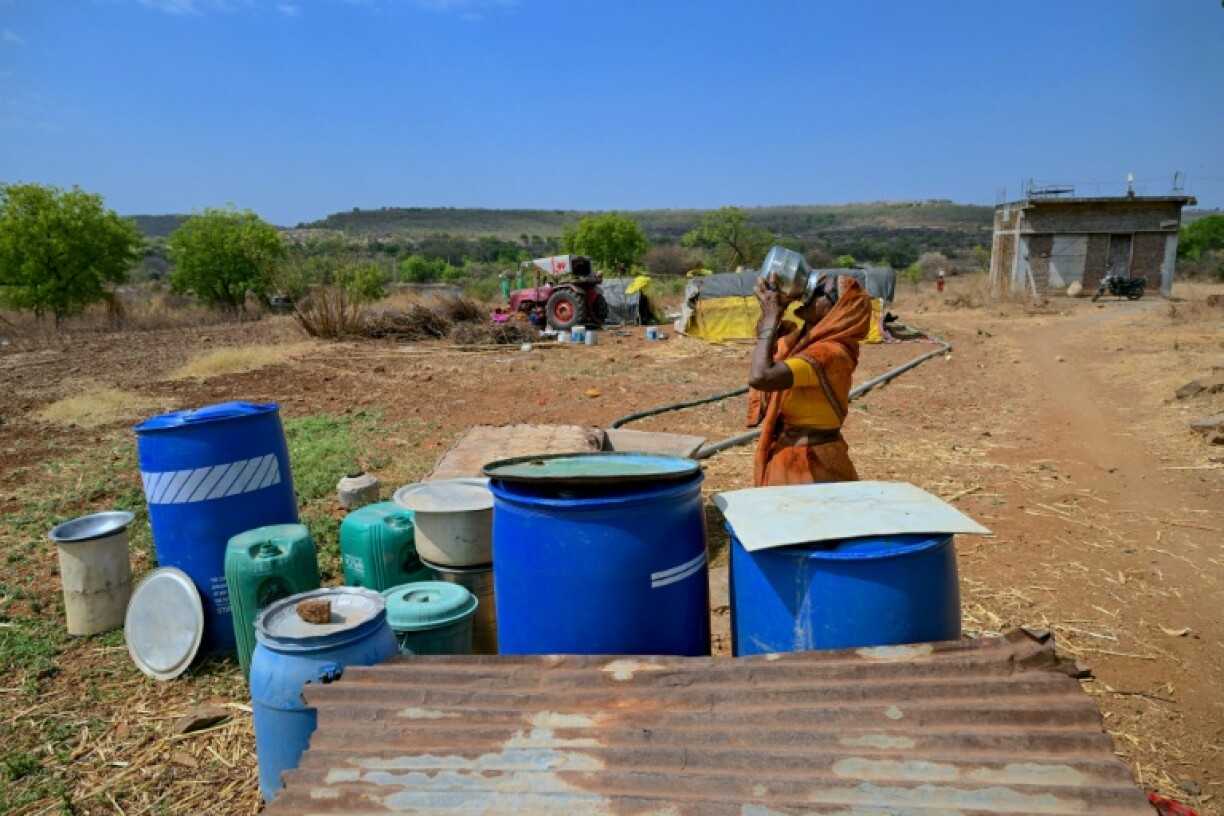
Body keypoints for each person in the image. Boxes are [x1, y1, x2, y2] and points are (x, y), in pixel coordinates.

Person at [747, 270, 872, 487]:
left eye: (820, 291)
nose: (810, 292)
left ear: (837, 310)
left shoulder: (830, 354)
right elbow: (770, 347)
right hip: (791, 456)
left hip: (812, 466)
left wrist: (770, 318)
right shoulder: (800, 342)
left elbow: (762, 376)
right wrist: (777, 310)